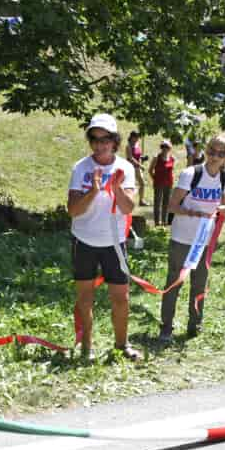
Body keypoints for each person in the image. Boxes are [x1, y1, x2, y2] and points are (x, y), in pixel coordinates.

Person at [67, 113, 140, 361]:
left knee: (121, 298)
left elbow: (128, 208)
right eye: (94, 139)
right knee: (85, 298)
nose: (100, 144)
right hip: (84, 240)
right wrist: (94, 190)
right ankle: (87, 348)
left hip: (114, 242)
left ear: (114, 140)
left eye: (105, 138)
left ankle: (122, 345)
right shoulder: (81, 168)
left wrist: (116, 187)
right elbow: (73, 210)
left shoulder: (126, 168)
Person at [159, 132, 225, 342]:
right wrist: (194, 213)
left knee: (199, 285)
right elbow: (172, 206)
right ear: (206, 150)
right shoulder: (191, 174)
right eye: (211, 151)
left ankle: (194, 325)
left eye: (221, 153)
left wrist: (219, 209)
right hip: (182, 238)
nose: (215, 156)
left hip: (204, 241)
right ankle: (166, 327)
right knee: (174, 283)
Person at [148, 139, 176, 226]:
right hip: (158, 183)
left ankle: (164, 222)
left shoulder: (172, 158)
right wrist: (155, 179)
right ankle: (157, 222)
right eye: (163, 146)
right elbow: (150, 170)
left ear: (170, 148)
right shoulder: (156, 157)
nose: (165, 148)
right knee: (157, 203)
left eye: (167, 147)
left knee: (166, 203)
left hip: (169, 184)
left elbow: (171, 171)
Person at [127, 131, 148, 207]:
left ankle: (141, 200)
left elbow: (138, 155)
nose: (137, 138)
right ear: (132, 137)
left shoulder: (137, 144)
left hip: (137, 167)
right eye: (136, 137)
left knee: (142, 183)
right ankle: (130, 201)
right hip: (131, 167)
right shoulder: (128, 146)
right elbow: (131, 158)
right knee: (131, 185)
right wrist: (140, 165)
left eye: (138, 137)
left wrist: (143, 158)